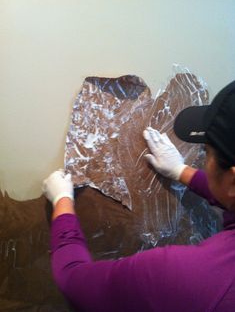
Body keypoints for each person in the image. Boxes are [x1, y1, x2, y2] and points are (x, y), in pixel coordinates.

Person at [43, 81, 235, 312]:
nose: (204, 159)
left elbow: (73, 280)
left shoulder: (188, 276)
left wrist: (62, 201)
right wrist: (181, 171)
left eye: (207, 151)